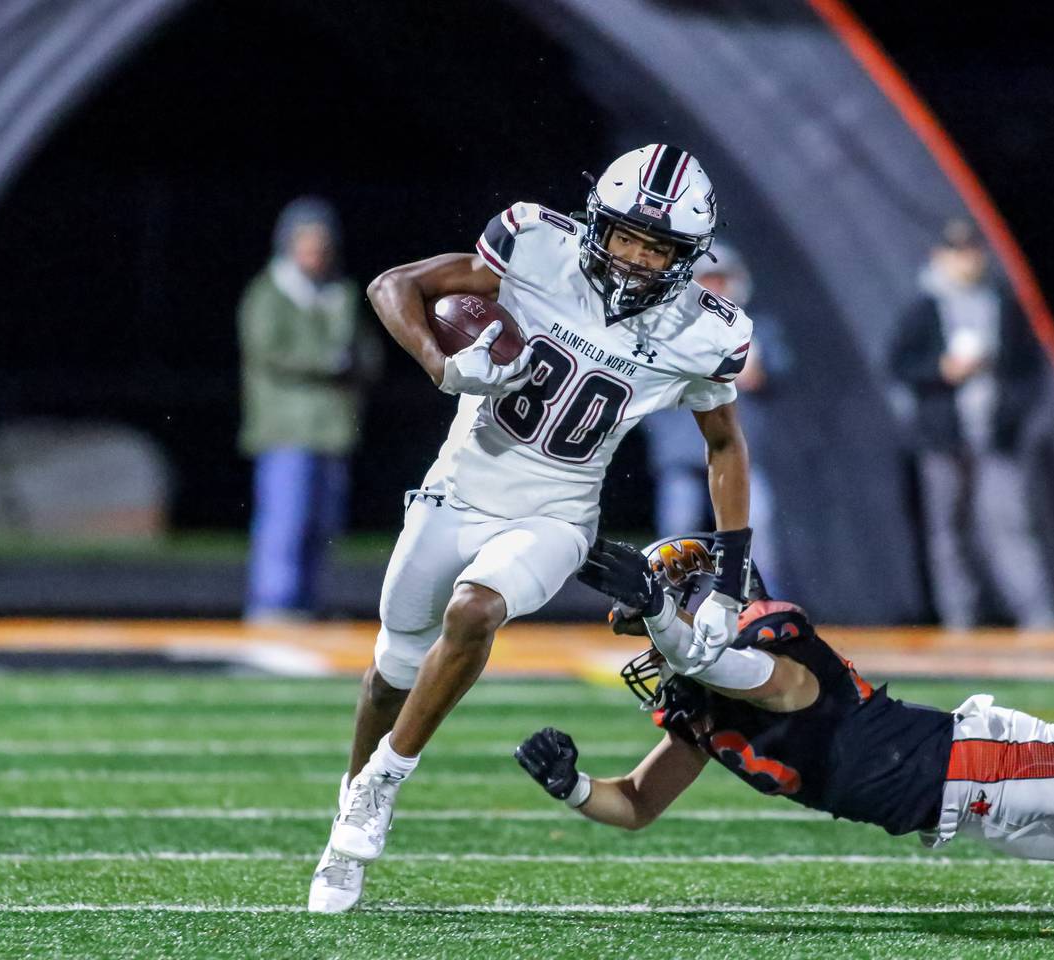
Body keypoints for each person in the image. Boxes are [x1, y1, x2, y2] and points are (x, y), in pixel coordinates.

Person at [308, 145, 757, 913]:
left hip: (558, 513)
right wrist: (440, 365)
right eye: (626, 236)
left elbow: (723, 443)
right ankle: (346, 822)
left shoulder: (703, 330)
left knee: (474, 610)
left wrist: (732, 569)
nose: (638, 258)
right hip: (458, 489)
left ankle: (385, 780)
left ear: (688, 259)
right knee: (391, 672)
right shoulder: (533, 244)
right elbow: (394, 287)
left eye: (659, 247)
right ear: (596, 225)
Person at [516, 534, 1054, 880]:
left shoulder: (774, 650)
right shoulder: (700, 704)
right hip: (969, 815)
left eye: (653, 626)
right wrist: (574, 789)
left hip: (987, 767)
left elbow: (735, 669)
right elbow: (637, 805)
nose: (648, 650)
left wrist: (667, 613)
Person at [889, 218, 1054, 630]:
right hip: (943, 438)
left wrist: (1016, 416)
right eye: (956, 252)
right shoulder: (923, 308)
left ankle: (1037, 615)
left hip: (995, 436)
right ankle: (959, 618)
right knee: (948, 534)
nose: (965, 260)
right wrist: (940, 370)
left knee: (1009, 524)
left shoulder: (1002, 304)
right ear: (940, 257)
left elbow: (1030, 369)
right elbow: (899, 366)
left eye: (971, 251)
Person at [239, 197, 381, 622]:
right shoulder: (270, 293)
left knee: (322, 525)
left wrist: (355, 363)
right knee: (286, 521)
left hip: (331, 428)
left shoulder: (338, 294)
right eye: (307, 244)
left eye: (322, 245)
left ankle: (307, 602)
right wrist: (330, 360)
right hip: (287, 428)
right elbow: (268, 351)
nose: (316, 253)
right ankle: (274, 603)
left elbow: (366, 351)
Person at [641, 243, 786, 592]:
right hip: (683, 449)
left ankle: (759, 605)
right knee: (678, 536)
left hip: (738, 450)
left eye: (721, 280)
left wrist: (756, 369)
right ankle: (668, 608)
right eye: (708, 280)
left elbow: (777, 372)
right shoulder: (668, 328)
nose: (715, 289)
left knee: (756, 532)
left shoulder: (752, 329)